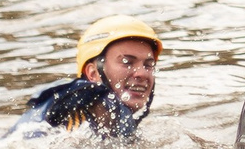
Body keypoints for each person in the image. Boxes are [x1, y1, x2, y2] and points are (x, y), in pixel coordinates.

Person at [16, 18, 163, 137]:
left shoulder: (114, 122)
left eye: (148, 65)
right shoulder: (69, 124)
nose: (142, 73)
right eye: (127, 62)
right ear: (93, 73)